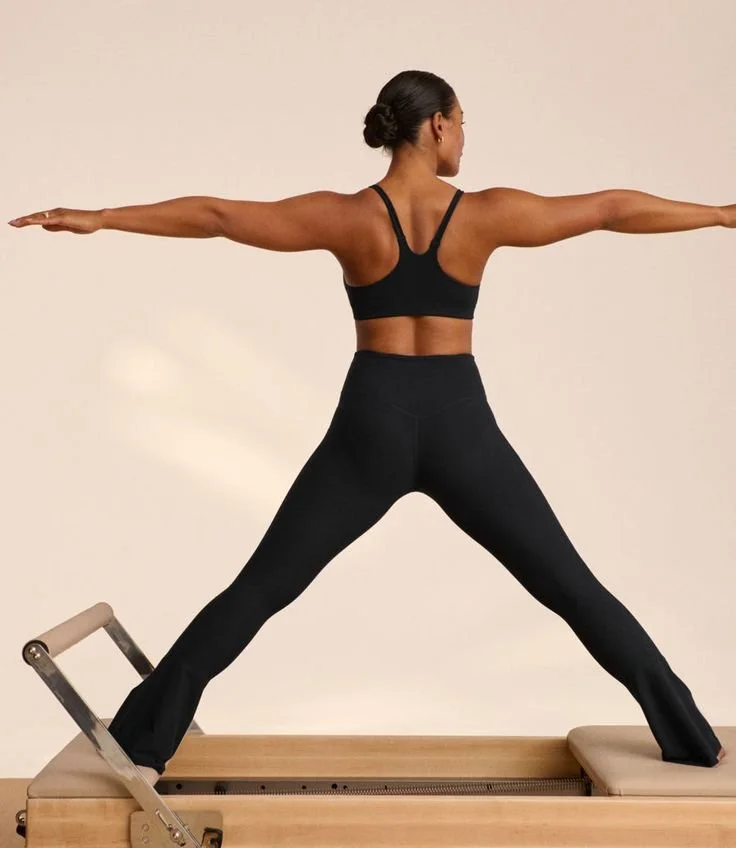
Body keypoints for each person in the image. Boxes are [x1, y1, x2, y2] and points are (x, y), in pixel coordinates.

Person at [11, 69, 732, 783]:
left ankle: (140, 735)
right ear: (438, 124)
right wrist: (723, 215)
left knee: (261, 588)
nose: (464, 140)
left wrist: (103, 216)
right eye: (462, 123)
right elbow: (610, 207)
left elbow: (220, 216)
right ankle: (690, 738)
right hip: (459, 420)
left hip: (372, 417)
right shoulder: (485, 213)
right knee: (572, 586)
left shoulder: (348, 215)